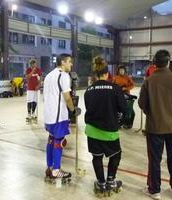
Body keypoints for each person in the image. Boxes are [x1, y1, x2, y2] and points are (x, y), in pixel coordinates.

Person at [84, 56, 126, 196]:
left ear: (95, 75)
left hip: (92, 130)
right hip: (109, 130)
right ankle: (110, 180)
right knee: (116, 155)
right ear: (107, 74)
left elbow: (88, 107)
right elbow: (123, 109)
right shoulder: (115, 88)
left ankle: (101, 183)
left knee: (97, 157)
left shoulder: (88, 90)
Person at [138, 50, 172, 200]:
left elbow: (142, 104)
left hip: (155, 127)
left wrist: (152, 113)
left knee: (155, 160)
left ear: (154, 63)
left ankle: (154, 190)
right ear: (168, 62)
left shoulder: (149, 81)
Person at [43, 53, 81, 182]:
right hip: (58, 116)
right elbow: (67, 97)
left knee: (51, 140)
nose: (71, 64)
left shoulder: (49, 75)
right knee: (59, 142)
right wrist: (73, 110)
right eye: (69, 61)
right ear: (63, 62)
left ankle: (49, 167)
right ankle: (56, 170)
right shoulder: (63, 76)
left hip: (48, 115)